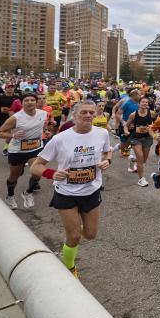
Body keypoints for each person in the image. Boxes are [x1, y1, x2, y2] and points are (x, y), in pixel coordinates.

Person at [30, 100, 112, 277]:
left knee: (90, 234)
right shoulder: (60, 139)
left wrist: (107, 160)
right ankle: (69, 267)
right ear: (74, 116)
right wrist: (51, 173)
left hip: (91, 190)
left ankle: (75, 225)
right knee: (74, 237)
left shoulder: (102, 133)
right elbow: (35, 166)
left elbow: (107, 151)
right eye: (84, 112)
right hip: (66, 193)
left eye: (91, 112)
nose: (89, 115)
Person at [0, 92, 47, 209]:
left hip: (36, 148)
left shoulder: (43, 113)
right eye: (26, 100)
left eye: (32, 100)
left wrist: (46, 131)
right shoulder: (16, 118)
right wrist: (13, 135)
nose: (30, 102)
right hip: (17, 151)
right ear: (22, 103)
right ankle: (10, 196)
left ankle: (28, 193)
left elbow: (41, 126)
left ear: (36, 102)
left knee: (37, 172)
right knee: (15, 175)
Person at [125, 97, 157, 186]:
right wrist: (126, 131)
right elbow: (126, 125)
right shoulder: (133, 115)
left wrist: (153, 127)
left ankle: (132, 159)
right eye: (143, 102)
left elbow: (156, 124)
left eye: (146, 102)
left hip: (147, 138)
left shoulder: (152, 113)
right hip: (136, 138)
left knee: (143, 160)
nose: (145, 103)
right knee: (140, 158)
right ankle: (141, 179)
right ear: (139, 104)